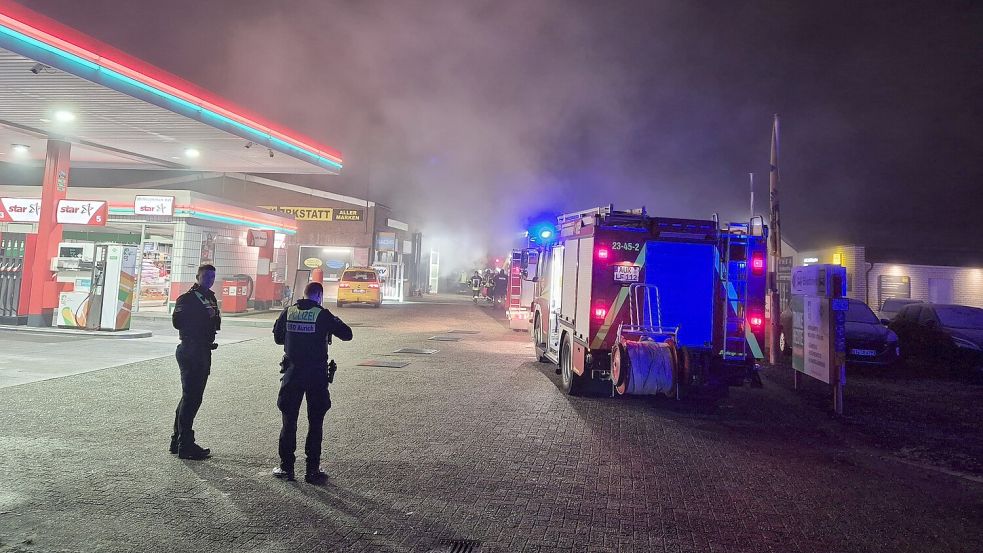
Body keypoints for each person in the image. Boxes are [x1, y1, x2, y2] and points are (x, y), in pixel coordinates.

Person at [272, 281, 353, 484]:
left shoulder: (288, 312)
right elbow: (347, 334)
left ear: (304, 293)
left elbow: (277, 338)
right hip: (316, 375)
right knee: (315, 423)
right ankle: (312, 470)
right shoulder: (322, 314)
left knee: (288, 421)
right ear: (319, 296)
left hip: (292, 374)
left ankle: (286, 468)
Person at [170, 264, 221, 460]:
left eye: (212, 276)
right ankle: (186, 445)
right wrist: (200, 318)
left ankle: (178, 440)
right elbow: (178, 323)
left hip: (203, 349)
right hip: (191, 350)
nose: (209, 279)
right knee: (192, 398)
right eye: (206, 276)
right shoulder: (188, 298)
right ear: (197, 276)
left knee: (189, 397)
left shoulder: (210, 297)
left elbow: (214, 322)